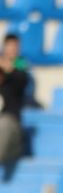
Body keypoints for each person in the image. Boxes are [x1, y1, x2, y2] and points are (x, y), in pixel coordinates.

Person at [0, 34, 30, 180]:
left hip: (11, 124)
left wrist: (9, 70)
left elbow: (22, 80)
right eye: (9, 46)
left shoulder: (21, 66)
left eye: (15, 46)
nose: (12, 49)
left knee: (4, 124)